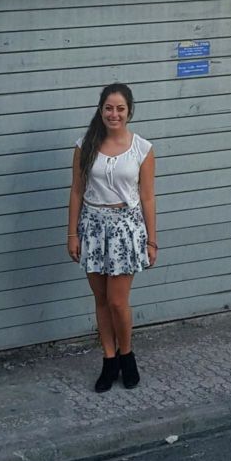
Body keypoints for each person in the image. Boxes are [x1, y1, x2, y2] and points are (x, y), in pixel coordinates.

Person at [67, 83, 158, 393]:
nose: (114, 114)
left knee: (118, 301)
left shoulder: (142, 149)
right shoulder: (85, 145)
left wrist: (151, 239)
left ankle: (127, 354)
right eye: (108, 108)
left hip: (125, 229)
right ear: (101, 110)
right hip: (92, 227)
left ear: (129, 111)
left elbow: (147, 197)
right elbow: (77, 191)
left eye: (120, 108)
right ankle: (108, 359)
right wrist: (72, 233)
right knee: (101, 300)